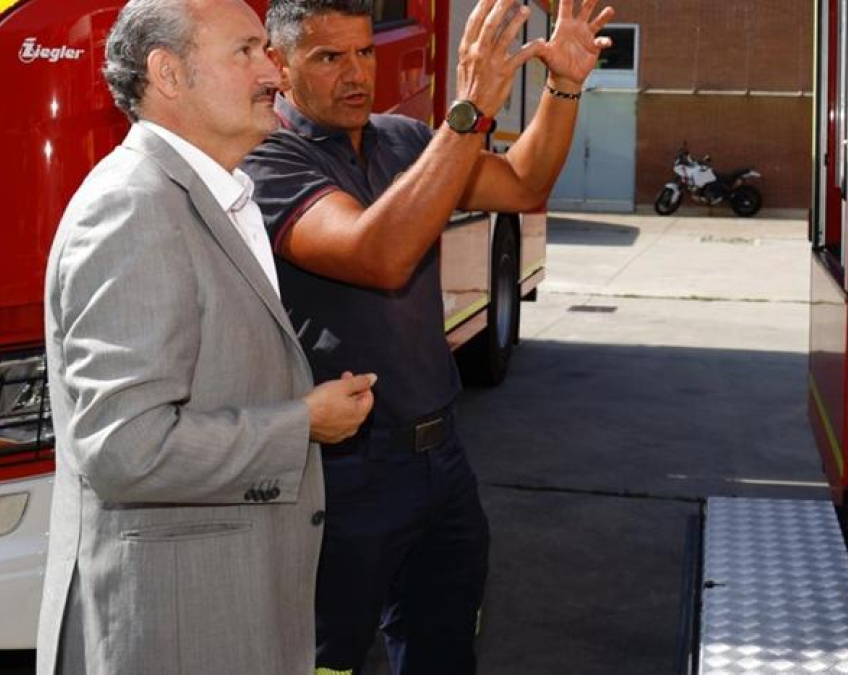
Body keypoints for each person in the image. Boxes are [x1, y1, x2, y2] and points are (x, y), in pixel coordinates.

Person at [240, 0, 613, 672]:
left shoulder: (405, 142)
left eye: (365, 53)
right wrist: (467, 110)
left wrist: (564, 86)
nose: (355, 74)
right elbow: (374, 252)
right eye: (329, 58)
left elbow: (525, 182)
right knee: (326, 657)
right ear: (281, 64)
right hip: (343, 472)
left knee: (444, 647)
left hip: (442, 459)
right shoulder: (268, 162)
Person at [36, 0, 376, 672]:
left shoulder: (213, 194)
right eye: (245, 52)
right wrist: (301, 423)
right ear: (168, 74)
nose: (273, 73)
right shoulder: (134, 208)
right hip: (175, 629)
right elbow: (126, 449)